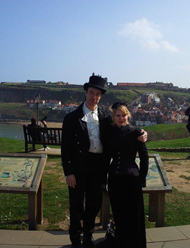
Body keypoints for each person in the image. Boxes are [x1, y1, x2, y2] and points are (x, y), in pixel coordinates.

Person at [61, 73, 147, 248]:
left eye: (98, 94)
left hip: (98, 167)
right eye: (92, 93)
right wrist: (68, 172)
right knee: (77, 205)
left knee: (94, 204)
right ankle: (76, 240)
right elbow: (65, 149)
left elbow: (124, 127)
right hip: (78, 168)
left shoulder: (106, 117)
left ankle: (88, 236)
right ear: (85, 92)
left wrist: (144, 134)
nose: (94, 97)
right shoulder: (71, 118)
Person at [105, 102, 149, 248]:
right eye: (118, 115)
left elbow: (144, 156)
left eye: (123, 115)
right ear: (113, 117)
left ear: (128, 116)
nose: (121, 118)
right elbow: (105, 156)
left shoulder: (136, 132)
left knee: (134, 215)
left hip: (131, 179)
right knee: (119, 214)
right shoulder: (109, 131)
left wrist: (142, 178)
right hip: (115, 179)